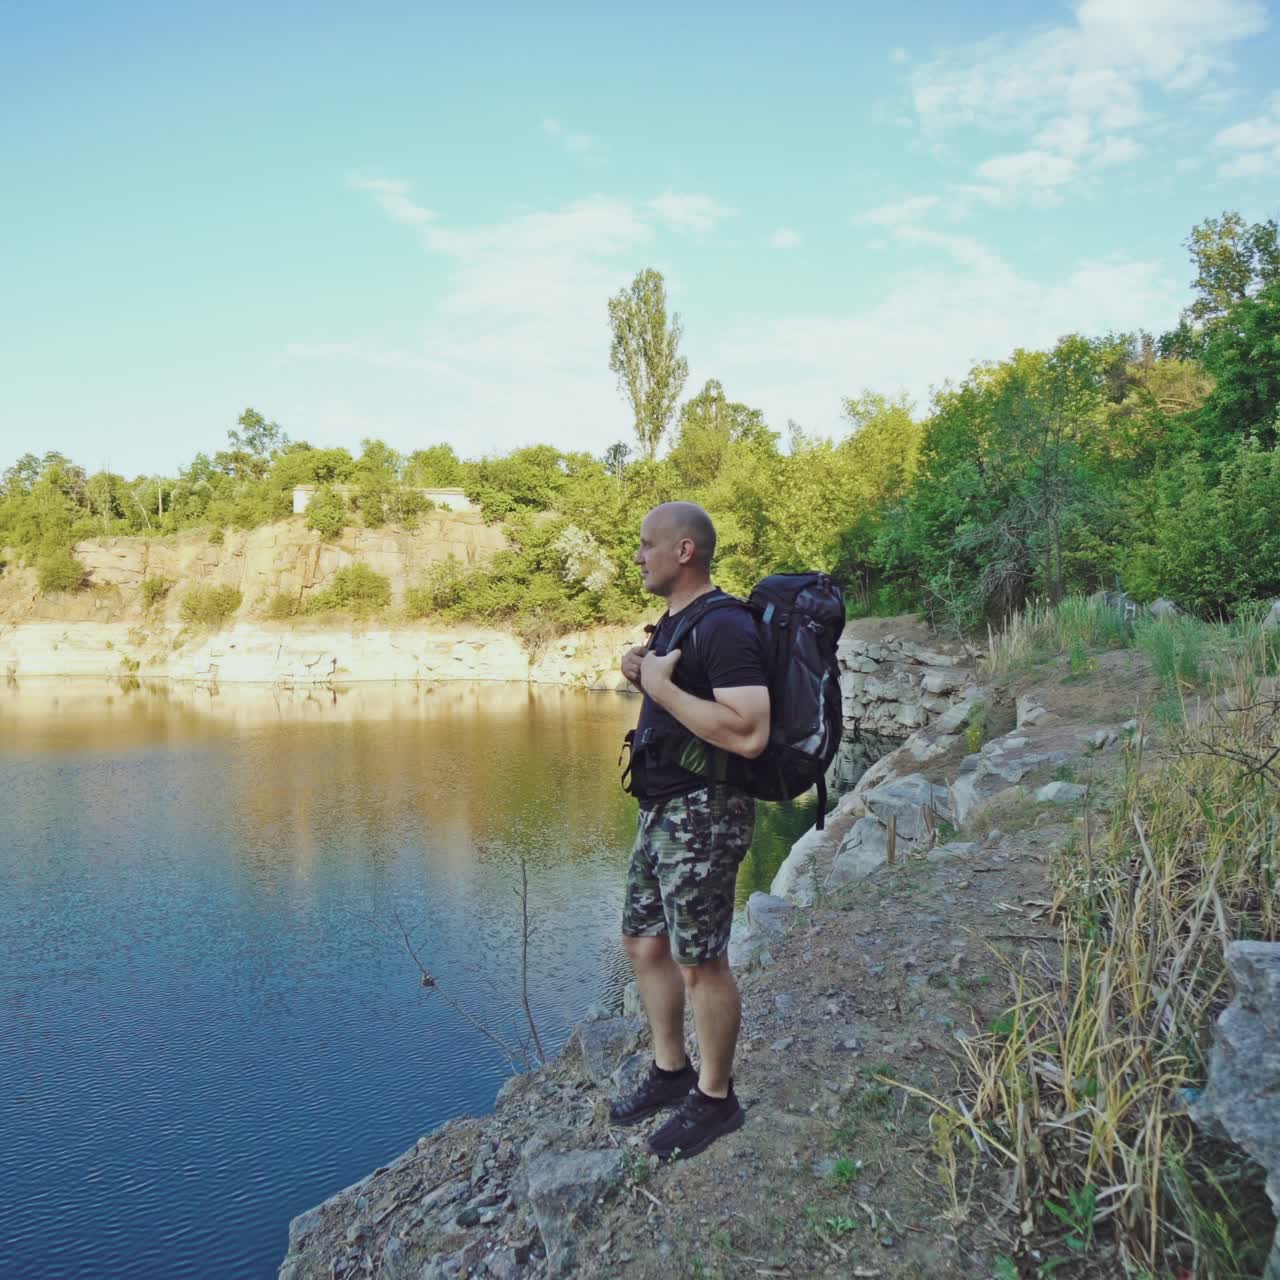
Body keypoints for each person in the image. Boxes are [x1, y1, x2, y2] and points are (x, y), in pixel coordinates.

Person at [610, 501, 770, 1160]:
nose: (637, 556)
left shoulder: (727, 624)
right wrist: (639, 666)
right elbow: (669, 687)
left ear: (683, 551)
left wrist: (659, 686)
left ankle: (714, 1098)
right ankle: (671, 1071)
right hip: (661, 810)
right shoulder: (678, 621)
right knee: (645, 944)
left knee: (702, 960)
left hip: (706, 811)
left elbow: (750, 731)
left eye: (646, 545)